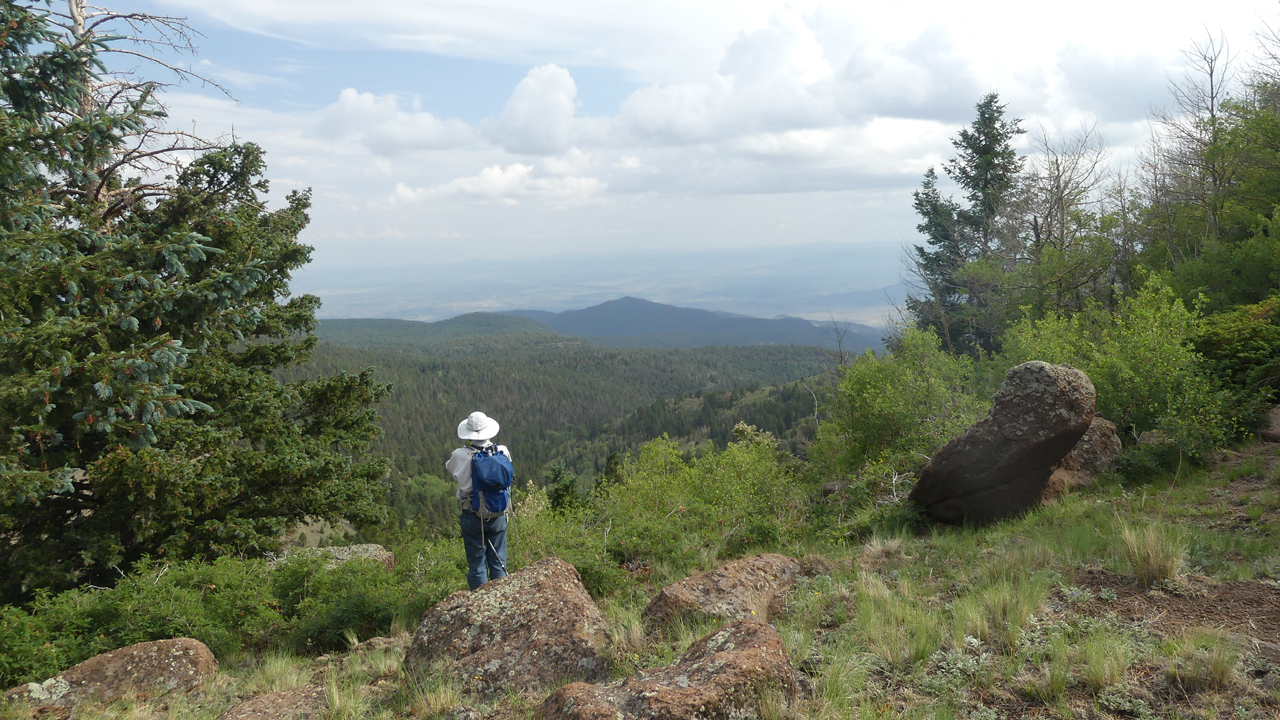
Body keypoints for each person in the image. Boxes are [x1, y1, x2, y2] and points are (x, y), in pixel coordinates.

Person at [446, 411, 511, 589]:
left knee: (477, 562)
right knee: (499, 559)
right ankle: (502, 597)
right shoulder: (502, 451)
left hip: (471, 512)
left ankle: (480, 601)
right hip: (497, 509)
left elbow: (451, 470)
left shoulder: (459, 455)